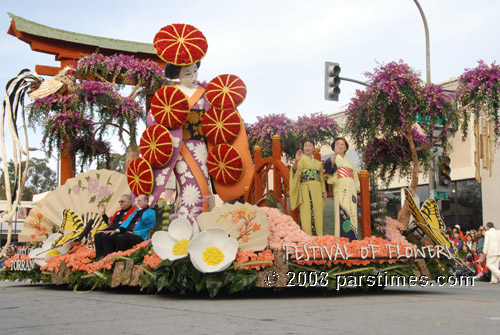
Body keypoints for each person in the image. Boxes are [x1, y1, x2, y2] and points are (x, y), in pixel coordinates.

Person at [164, 62, 211, 225]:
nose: (193, 77)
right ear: (177, 74)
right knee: (188, 184)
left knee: (203, 182)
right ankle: (187, 219)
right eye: (187, 74)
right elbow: (155, 115)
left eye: (195, 72)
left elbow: (213, 119)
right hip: (180, 145)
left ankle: (205, 220)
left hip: (200, 146)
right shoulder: (170, 93)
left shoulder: (204, 94)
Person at [96, 194, 156, 258]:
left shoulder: (151, 212)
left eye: (140, 201)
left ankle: (117, 258)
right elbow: (126, 223)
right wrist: (115, 231)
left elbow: (144, 220)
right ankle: (104, 259)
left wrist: (139, 209)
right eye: (137, 201)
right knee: (106, 236)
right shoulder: (136, 211)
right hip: (127, 234)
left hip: (139, 236)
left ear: (146, 201)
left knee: (122, 237)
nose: (138, 202)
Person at [290, 139, 327, 236]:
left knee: (318, 212)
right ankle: (308, 236)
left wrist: (323, 191)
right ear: (303, 148)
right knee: (306, 212)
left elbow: (321, 178)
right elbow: (295, 172)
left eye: (310, 145)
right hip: (305, 188)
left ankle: (319, 236)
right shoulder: (301, 160)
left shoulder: (318, 163)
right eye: (306, 145)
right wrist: (296, 161)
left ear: (314, 148)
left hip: (317, 188)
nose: (308, 147)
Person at [326, 137, 360, 241]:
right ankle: (343, 240)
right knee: (343, 213)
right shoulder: (333, 158)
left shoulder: (350, 162)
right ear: (333, 147)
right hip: (341, 190)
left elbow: (355, 176)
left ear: (345, 147)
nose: (339, 146)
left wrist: (356, 189)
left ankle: (353, 239)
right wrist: (335, 154)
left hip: (351, 190)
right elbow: (329, 168)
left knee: (353, 214)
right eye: (337, 144)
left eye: (342, 144)